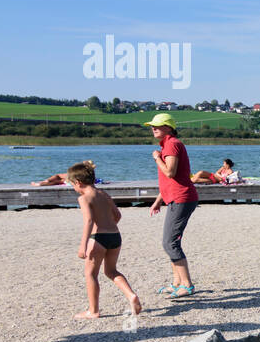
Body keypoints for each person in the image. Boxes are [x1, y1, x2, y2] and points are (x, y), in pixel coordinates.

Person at [67, 163, 141, 320]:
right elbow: (118, 215)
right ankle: (131, 295)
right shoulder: (104, 194)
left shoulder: (84, 198)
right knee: (111, 271)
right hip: (115, 236)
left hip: (98, 238)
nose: (73, 187)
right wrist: (109, 225)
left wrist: (83, 246)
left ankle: (93, 311)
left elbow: (88, 220)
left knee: (90, 274)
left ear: (78, 182)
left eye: (72, 184)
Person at [144, 113, 199, 297]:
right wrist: (157, 201)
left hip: (182, 198)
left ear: (168, 127)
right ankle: (177, 283)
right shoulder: (167, 145)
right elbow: (170, 181)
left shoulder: (172, 144)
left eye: (157, 126)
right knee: (170, 242)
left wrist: (156, 158)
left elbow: (170, 172)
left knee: (170, 242)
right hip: (175, 198)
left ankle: (187, 285)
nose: (153, 128)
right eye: (152, 126)